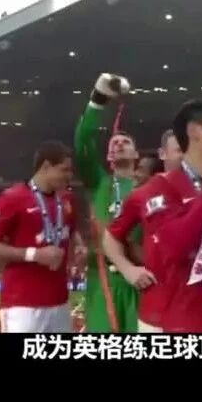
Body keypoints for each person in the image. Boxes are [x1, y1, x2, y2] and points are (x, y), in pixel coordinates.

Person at [105, 99, 202, 333]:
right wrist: (128, 270)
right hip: (179, 318)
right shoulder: (156, 189)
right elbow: (175, 247)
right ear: (194, 131)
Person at [0, 141, 82, 332]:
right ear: (46, 166)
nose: (69, 176)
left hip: (60, 302)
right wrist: (34, 254)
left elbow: (71, 229)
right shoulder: (12, 198)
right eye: (64, 170)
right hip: (23, 305)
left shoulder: (66, 199)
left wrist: (79, 245)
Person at [74, 73, 140, 332]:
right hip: (103, 280)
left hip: (140, 278)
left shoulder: (150, 188)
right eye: (115, 142)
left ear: (136, 154)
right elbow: (82, 141)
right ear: (108, 155)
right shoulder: (99, 182)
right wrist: (98, 99)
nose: (119, 145)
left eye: (126, 142)